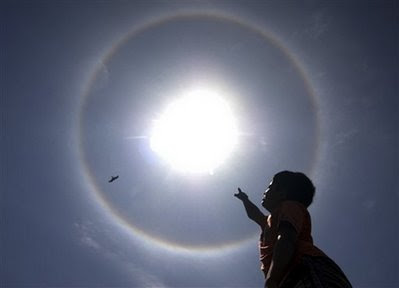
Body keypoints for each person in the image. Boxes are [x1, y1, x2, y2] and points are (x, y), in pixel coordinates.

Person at [234, 171, 352, 288]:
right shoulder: (269, 222)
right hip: (287, 275)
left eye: (270, 187)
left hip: (306, 267)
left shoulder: (289, 207)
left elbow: (286, 238)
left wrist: (272, 278)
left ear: (282, 193)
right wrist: (245, 200)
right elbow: (255, 214)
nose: (264, 192)